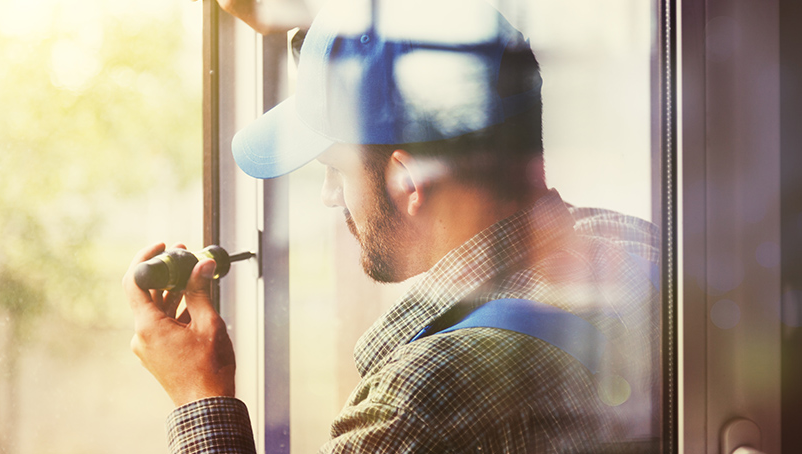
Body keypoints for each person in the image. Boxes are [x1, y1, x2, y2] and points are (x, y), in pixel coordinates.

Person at [123, 0, 661, 452]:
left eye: (336, 170)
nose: (331, 195)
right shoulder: (638, 244)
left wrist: (200, 398)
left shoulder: (416, 403)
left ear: (408, 180)